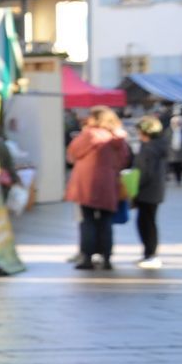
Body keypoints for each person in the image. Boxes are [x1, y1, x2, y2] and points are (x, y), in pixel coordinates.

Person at [65, 105, 131, 271]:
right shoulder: (118, 137)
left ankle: (87, 257)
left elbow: (73, 153)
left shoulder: (90, 134)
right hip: (109, 182)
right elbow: (124, 160)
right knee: (106, 221)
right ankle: (107, 257)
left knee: (87, 220)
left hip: (87, 183)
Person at [132, 116, 170, 268]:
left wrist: (135, 187)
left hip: (147, 190)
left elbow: (145, 172)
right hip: (154, 190)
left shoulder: (149, 148)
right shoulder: (158, 146)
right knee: (148, 221)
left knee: (146, 222)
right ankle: (149, 253)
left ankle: (150, 254)